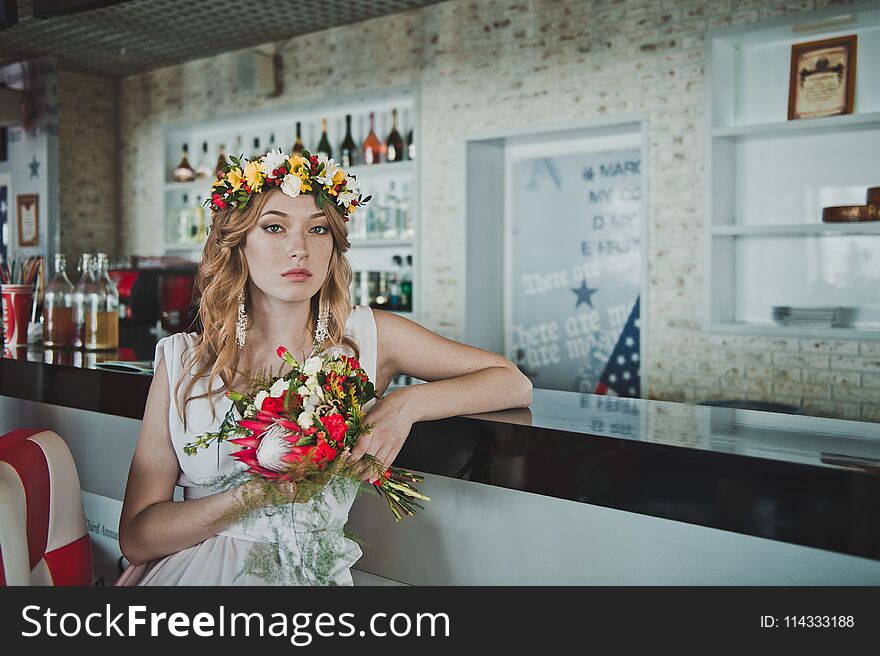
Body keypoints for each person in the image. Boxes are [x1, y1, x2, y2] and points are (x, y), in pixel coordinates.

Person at [116, 147, 532, 586]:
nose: (299, 249)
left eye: (318, 230)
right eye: (274, 227)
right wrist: (252, 496)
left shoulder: (369, 336)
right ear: (237, 244)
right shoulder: (182, 359)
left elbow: (513, 382)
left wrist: (405, 404)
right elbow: (137, 538)